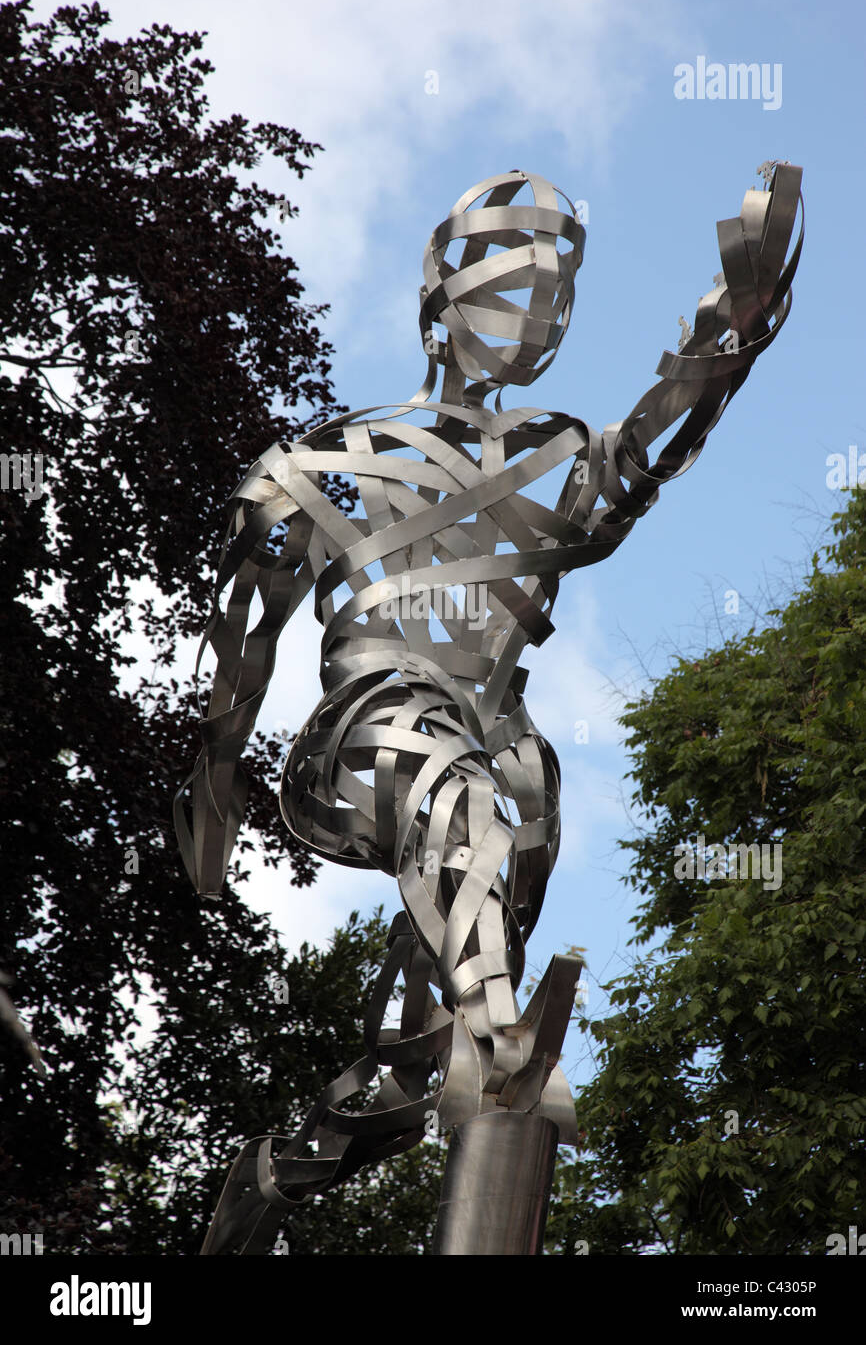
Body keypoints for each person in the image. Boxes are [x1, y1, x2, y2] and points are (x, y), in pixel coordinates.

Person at [174, 164, 803, 1253]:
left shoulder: (554, 460)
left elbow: (650, 442)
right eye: (506, 282)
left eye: (553, 293)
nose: (531, 312)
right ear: (439, 287)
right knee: (458, 791)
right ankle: (505, 1039)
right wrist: (212, 783)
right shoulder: (316, 465)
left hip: (494, 745)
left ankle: (282, 1169)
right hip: (368, 728)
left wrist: (726, 338)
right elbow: (240, 640)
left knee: (419, 1053)